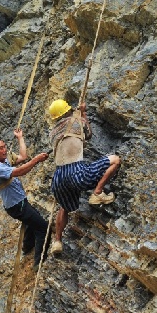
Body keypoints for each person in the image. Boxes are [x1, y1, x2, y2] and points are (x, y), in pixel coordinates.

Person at [47, 99, 121, 254]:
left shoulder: (52, 133)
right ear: (67, 110)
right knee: (115, 160)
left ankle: (58, 241)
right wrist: (83, 112)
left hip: (58, 178)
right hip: (76, 172)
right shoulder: (76, 122)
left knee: (64, 207)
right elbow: (88, 134)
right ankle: (98, 193)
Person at [0, 129, 50, 270]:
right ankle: (38, 263)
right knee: (42, 228)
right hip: (16, 206)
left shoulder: (4, 160)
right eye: (1, 148)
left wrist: (20, 138)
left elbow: (23, 156)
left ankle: (27, 246)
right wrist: (37, 160)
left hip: (18, 202)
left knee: (30, 221)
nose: (5, 150)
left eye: (5, 147)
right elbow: (20, 171)